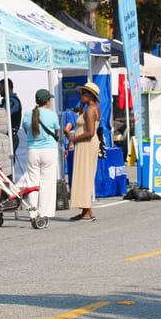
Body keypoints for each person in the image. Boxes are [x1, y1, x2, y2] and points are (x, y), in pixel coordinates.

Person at [22, 89, 60, 227]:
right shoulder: (52, 115)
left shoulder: (27, 115)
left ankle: (32, 213)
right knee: (47, 183)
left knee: (32, 182)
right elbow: (56, 131)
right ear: (48, 101)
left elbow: (26, 130)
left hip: (33, 149)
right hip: (49, 149)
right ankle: (44, 213)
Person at [67, 81, 101, 221]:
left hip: (86, 143)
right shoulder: (90, 108)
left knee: (84, 176)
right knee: (83, 176)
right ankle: (85, 210)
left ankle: (86, 211)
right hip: (84, 144)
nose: (81, 95)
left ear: (90, 95)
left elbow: (91, 132)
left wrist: (74, 139)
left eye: (84, 93)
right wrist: (81, 106)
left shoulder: (91, 110)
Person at [0, 78, 23, 153]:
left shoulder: (12, 101)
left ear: (7, 87)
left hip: (11, 136)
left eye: (0, 88)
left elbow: (2, 114)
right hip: (6, 135)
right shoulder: (6, 101)